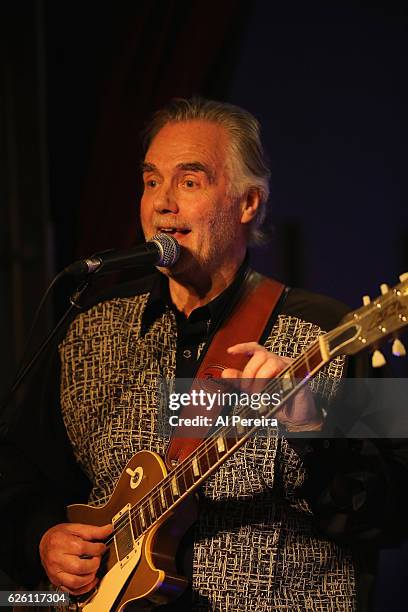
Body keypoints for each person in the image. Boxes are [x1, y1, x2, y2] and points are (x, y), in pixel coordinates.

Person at [0, 98, 406, 611]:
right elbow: (15, 473)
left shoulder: (327, 330)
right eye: (151, 182)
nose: (162, 203)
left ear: (248, 204)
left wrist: (312, 429)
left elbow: (394, 505)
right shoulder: (86, 330)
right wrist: (42, 538)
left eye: (189, 182)